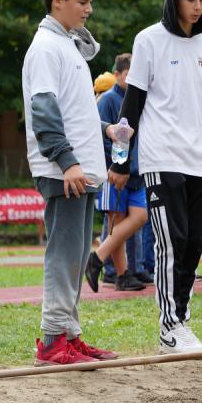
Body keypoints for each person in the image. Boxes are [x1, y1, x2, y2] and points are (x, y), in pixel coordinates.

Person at [109, 0, 202, 353]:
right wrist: (120, 162)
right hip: (160, 157)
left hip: (199, 161)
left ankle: (181, 322)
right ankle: (169, 326)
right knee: (172, 241)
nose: (197, 7)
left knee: (192, 247)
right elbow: (130, 109)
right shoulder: (148, 40)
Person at [23, 0, 121, 364]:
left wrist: (106, 128)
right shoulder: (46, 47)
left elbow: (74, 111)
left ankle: (69, 333)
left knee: (78, 256)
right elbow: (44, 111)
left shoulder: (68, 45)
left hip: (80, 170)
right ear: (57, 1)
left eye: (90, 3)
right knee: (64, 256)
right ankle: (50, 340)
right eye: (82, 3)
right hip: (64, 171)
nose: (88, 10)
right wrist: (66, 162)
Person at [87, 53, 146, 292]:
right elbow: (101, 135)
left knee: (140, 216)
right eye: (129, 74)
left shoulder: (137, 97)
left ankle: (98, 257)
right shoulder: (108, 100)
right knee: (117, 221)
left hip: (135, 171)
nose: (133, 79)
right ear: (118, 74)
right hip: (113, 171)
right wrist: (113, 165)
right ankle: (121, 275)